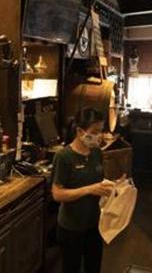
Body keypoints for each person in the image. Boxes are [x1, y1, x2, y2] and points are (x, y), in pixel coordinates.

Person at [52, 107, 113, 273]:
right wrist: (89, 189)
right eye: (95, 131)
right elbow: (57, 194)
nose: (99, 136)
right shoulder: (64, 157)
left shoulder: (96, 153)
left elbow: (99, 181)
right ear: (79, 131)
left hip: (94, 224)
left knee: (94, 268)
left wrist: (113, 186)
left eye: (101, 131)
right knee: (71, 268)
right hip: (71, 227)